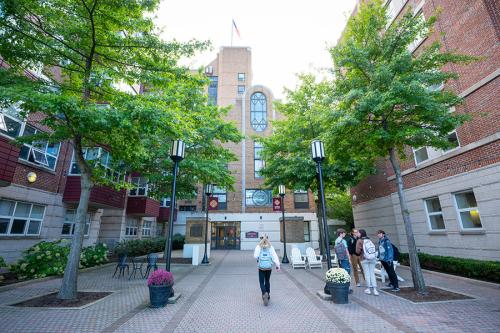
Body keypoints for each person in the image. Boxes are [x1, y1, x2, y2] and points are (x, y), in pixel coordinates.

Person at [253, 235, 280, 306]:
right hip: (269, 267)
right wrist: (277, 265)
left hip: (261, 267)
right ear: (268, 239)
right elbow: (274, 257)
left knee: (261, 282)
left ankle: (264, 293)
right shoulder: (271, 247)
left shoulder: (258, 247)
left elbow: (255, 256)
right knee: (267, 280)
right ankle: (268, 294)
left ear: (260, 239)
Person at [356, 229, 379, 296]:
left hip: (364, 259)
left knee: (367, 274)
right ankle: (375, 290)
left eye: (358, 232)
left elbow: (357, 251)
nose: (357, 233)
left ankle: (368, 289)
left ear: (360, 233)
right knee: (372, 273)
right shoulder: (369, 240)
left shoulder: (359, 240)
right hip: (372, 258)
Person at [334, 228, 353, 293]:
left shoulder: (336, 241)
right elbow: (346, 250)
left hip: (340, 259)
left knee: (342, 272)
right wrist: (349, 259)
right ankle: (347, 288)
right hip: (345, 258)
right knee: (347, 273)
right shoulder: (343, 241)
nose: (345, 234)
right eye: (344, 233)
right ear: (341, 233)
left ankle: (343, 286)